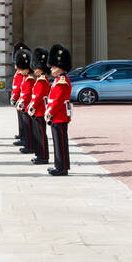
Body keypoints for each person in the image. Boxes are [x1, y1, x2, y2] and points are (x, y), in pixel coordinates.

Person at [45, 43, 73, 176]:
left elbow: (58, 101)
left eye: (53, 66)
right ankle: (60, 165)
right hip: (57, 115)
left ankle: (61, 168)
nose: (51, 68)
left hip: (58, 116)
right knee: (58, 143)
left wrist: (50, 112)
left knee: (60, 143)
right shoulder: (58, 80)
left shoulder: (62, 81)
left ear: (59, 67)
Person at [27, 46, 51, 166]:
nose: (34, 70)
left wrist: (32, 106)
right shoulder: (40, 79)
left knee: (41, 135)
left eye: (36, 67)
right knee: (38, 134)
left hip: (40, 111)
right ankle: (40, 154)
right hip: (37, 111)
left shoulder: (42, 80)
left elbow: (38, 96)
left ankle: (43, 157)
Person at [10, 45, 31, 147]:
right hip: (19, 99)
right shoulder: (19, 72)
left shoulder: (23, 74)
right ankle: (23, 136)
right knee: (22, 121)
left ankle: (25, 139)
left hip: (22, 99)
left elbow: (19, 87)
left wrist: (16, 97)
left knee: (25, 122)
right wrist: (14, 96)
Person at [17, 59, 35, 154]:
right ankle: (27, 145)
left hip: (27, 106)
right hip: (24, 105)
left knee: (28, 128)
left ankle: (30, 146)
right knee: (25, 127)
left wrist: (22, 102)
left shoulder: (29, 78)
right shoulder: (26, 77)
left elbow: (27, 93)